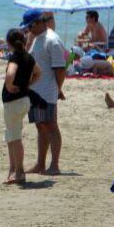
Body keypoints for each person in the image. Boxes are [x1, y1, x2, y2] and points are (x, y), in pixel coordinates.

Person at [21, 9, 66, 175]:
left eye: (29, 26)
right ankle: (40, 164)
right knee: (41, 127)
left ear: (39, 22)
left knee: (51, 126)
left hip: (46, 92)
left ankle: (54, 165)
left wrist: (58, 90)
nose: (28, 29)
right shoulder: (36, 38)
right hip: (35, 91)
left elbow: (60, 69)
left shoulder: (52, 40)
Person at [1, 29, 42, 185]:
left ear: (9, 43)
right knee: (11, 136)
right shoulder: (29, 57)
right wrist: (27, 85)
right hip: (24, 100)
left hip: (13, 102)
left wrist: (10, 85)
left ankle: (19, 172)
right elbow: (39, 73)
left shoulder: (15, 57)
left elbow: (10, 74)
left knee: (15, 137)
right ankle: (13, 170)